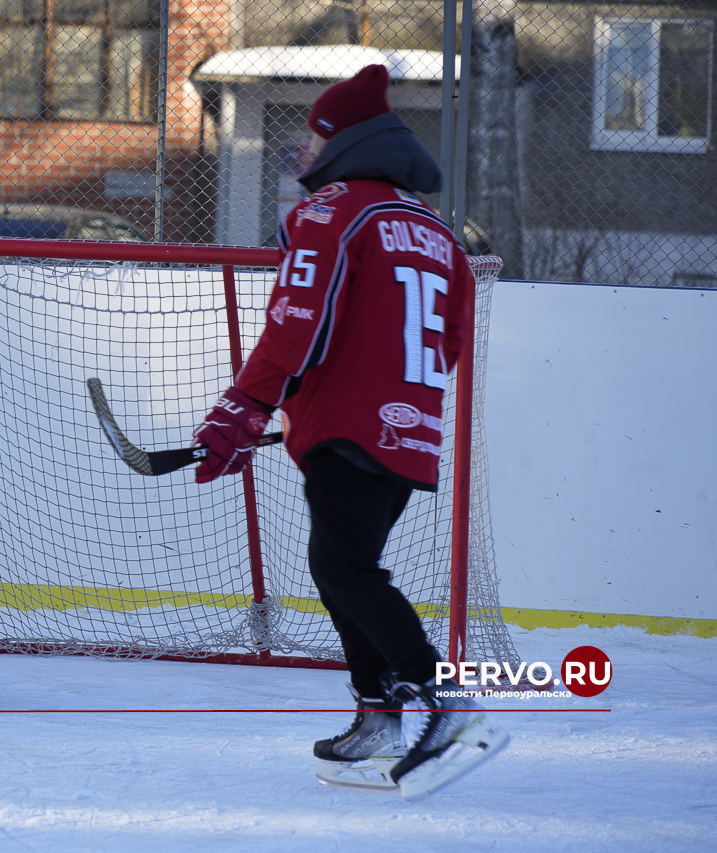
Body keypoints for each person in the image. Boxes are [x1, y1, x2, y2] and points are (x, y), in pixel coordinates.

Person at [190, 65, 507, 800]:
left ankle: (446, 703)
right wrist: (354, 398)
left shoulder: (334, 211)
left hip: (350, 427)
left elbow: (297, 321)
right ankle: (377, 718)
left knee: (347, 570)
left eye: (313, 133)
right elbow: (447, 346)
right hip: (409, 431)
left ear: (343, 139)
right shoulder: (438, 232)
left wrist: (245, 407)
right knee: (343, 563)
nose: (305, 146)